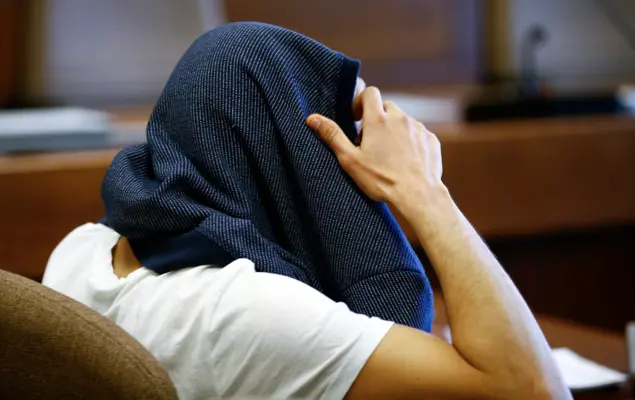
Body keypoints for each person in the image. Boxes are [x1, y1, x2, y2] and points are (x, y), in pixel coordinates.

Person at [42, 23, 570, 399]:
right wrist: (425, 191)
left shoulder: (81, 251)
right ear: (292, 153)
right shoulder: (244, 313)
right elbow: (532, 387)